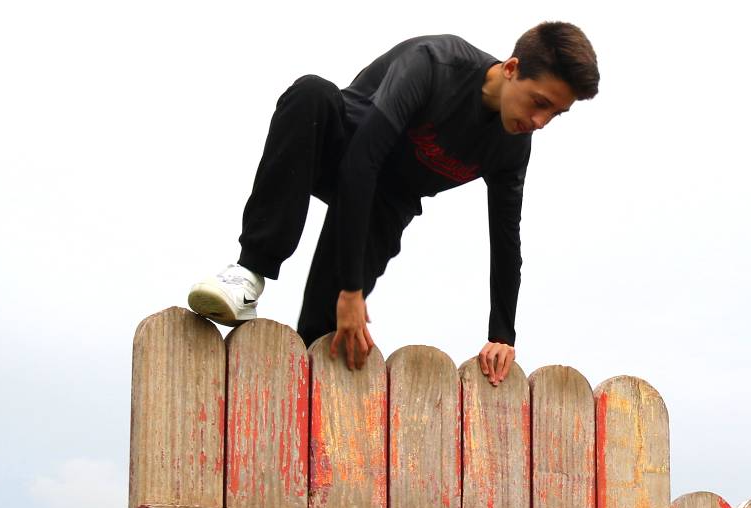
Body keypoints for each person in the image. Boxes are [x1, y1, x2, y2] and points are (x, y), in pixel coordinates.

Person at [187, 25, 599, 381]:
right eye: (539, 102)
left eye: (555, 115)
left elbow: (507, 240)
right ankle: (249, 273)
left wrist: (502, 336)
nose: (540, 122)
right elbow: (362, 162)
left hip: (388, 201)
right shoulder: (435, 63)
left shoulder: (512, 146)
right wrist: (353, 290)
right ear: (511, 69)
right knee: (310, 95)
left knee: (326, 335)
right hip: (345, 145)